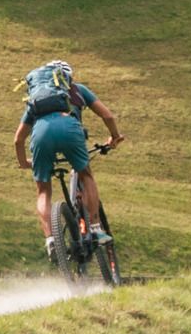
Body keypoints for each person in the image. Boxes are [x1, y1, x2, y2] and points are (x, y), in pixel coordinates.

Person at [17, 59, 122, 258]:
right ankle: (96, 228)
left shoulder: (37, 98)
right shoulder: (77, 90)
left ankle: (50, 239)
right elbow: (107, 115)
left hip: (41, 135)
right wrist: (114, 137)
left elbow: (18, 139)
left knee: (43, 190)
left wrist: (23, 162)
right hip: (71, 131)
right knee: (86, 175)